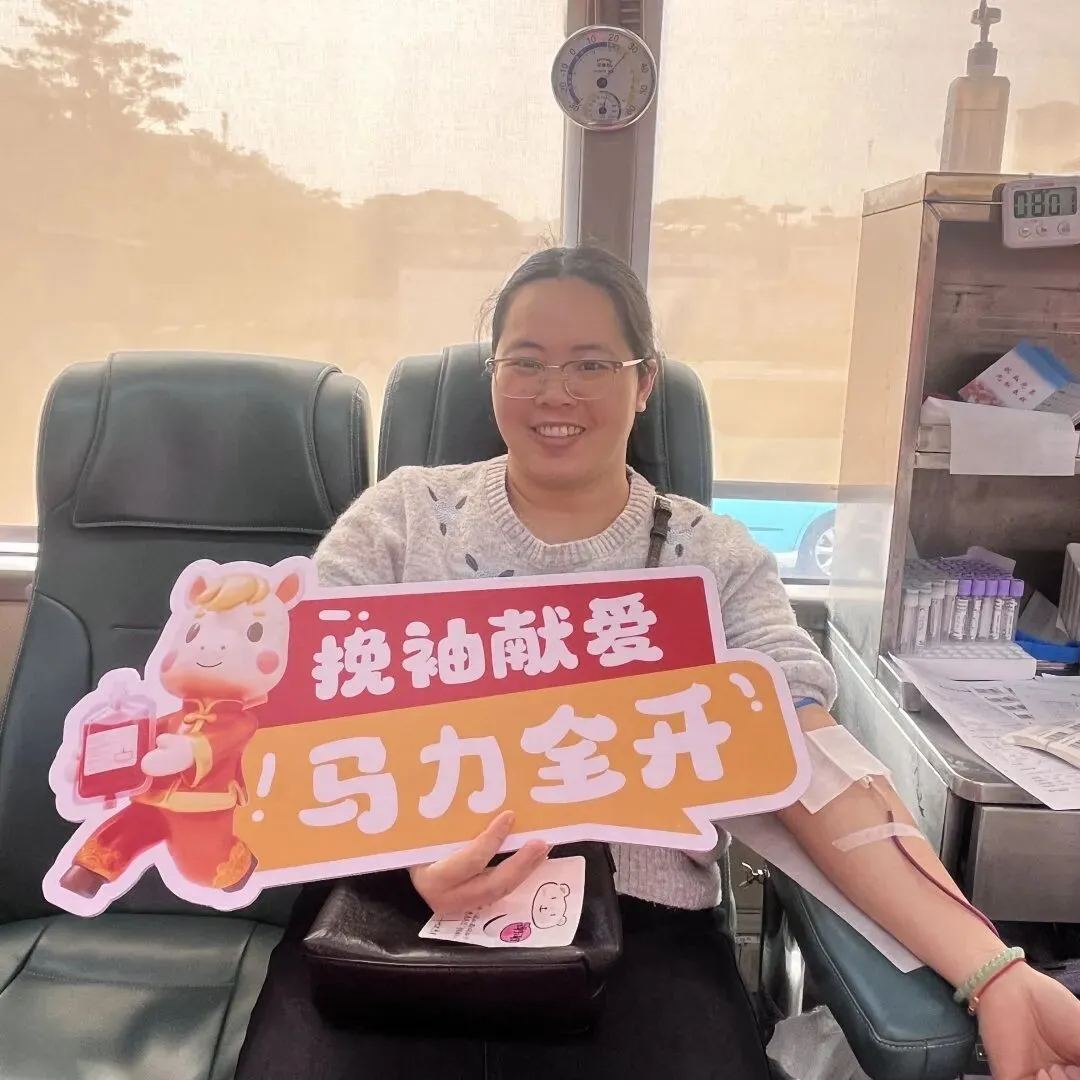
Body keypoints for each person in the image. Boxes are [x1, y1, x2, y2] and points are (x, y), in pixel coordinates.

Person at [236, 245, 1080, 1080]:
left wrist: (991, 971)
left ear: (645, 381)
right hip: (388, 914)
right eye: (524, 361)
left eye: (591, 364)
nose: (554, 393)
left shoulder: (713, 560)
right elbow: (292, 727)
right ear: (492, 376)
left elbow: (810, 763)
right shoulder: (400, 520)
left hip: (643, 938)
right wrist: (411, 852)